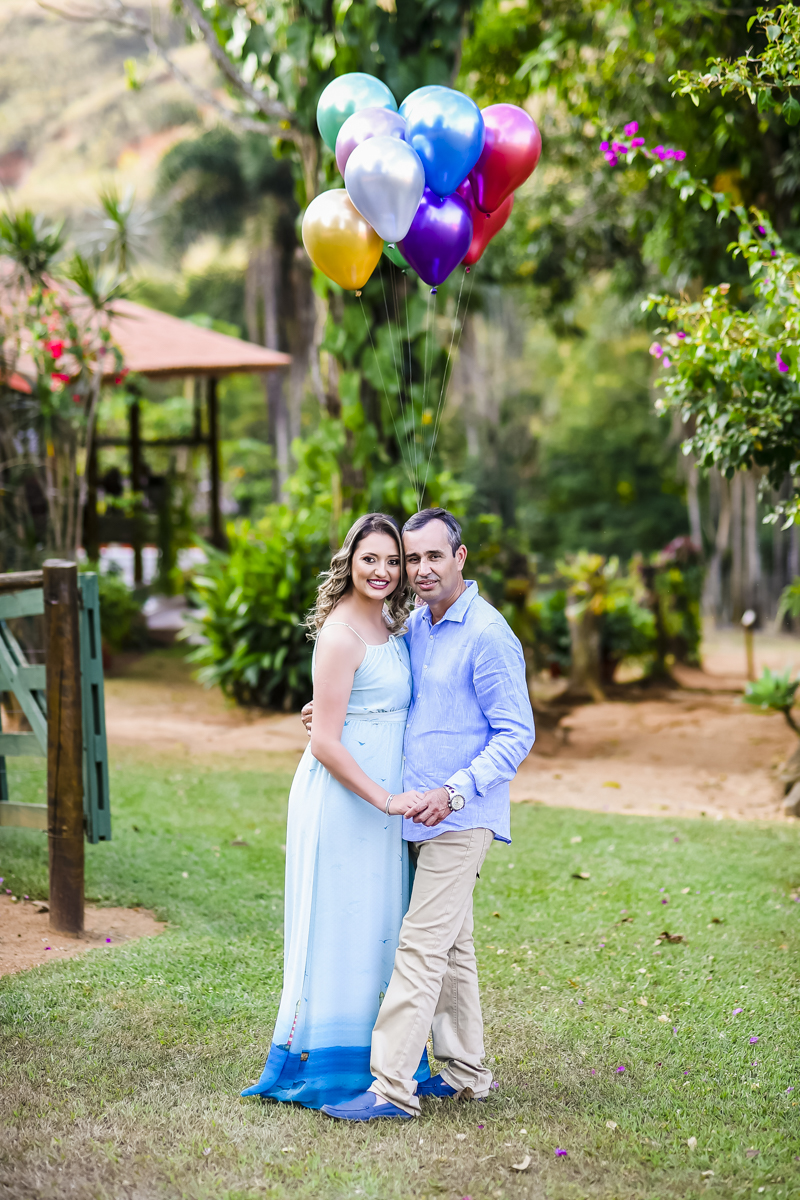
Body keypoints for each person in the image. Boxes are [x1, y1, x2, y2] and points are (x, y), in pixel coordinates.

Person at [305, 507, 536, 1122]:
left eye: (435, 556)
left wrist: (454, 794)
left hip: (460, 815)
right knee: (452, 947)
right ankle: (466, 1075)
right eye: (413, 559)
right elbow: (391, 695)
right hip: (414, 814)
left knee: (421, 946)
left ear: (460, 557)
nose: (422, 569)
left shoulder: (488, 634)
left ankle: (391, 1088)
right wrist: (329, 708)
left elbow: (517, 733)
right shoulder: (418, 626)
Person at [241, 513, 430, 1107]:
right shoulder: (340, 632)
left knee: (379, 923)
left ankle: (385, 1056)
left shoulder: (394, 623)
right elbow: (324, 741)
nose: (383, 571)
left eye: (393, 561)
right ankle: (330, 1060)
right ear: (349, 561)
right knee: (342, 922)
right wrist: (385, 800)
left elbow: (366, 703)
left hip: (385, 799)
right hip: (346, 799)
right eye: (370, 559)